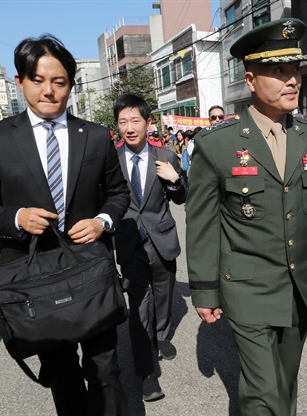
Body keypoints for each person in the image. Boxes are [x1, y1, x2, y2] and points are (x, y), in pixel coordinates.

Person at [185, 18, 307, 416]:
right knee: (262, 392)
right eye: (278, 72)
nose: (292, 80)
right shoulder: (218, 144)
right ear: (250, 80)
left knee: (285, 378)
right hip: (246, 288)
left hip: (299, 286)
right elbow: (201, 225)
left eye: (294, 70)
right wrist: (204, 289)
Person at [0, 34, 130, 416]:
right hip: (33, 278)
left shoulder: (94, 135)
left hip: (90, 270)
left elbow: (118, 194)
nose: (49, 91)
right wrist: (16, 218)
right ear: (20, 81)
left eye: (59, 82)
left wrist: (102, 221)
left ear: (71, 85)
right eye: (38, 80)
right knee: (61, 371)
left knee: (105, 367)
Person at [113, 94, 185, 402]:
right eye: (123, 122)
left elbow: (182, 198)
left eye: (135, 120)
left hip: (163, 240)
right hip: (130, 243)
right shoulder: (110, 160)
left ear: (148, 123)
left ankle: (161, 335)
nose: (129, 128)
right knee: (138, 307)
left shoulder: (166, 156)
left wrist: (175, 180)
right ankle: (146, 372)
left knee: (164, 294)